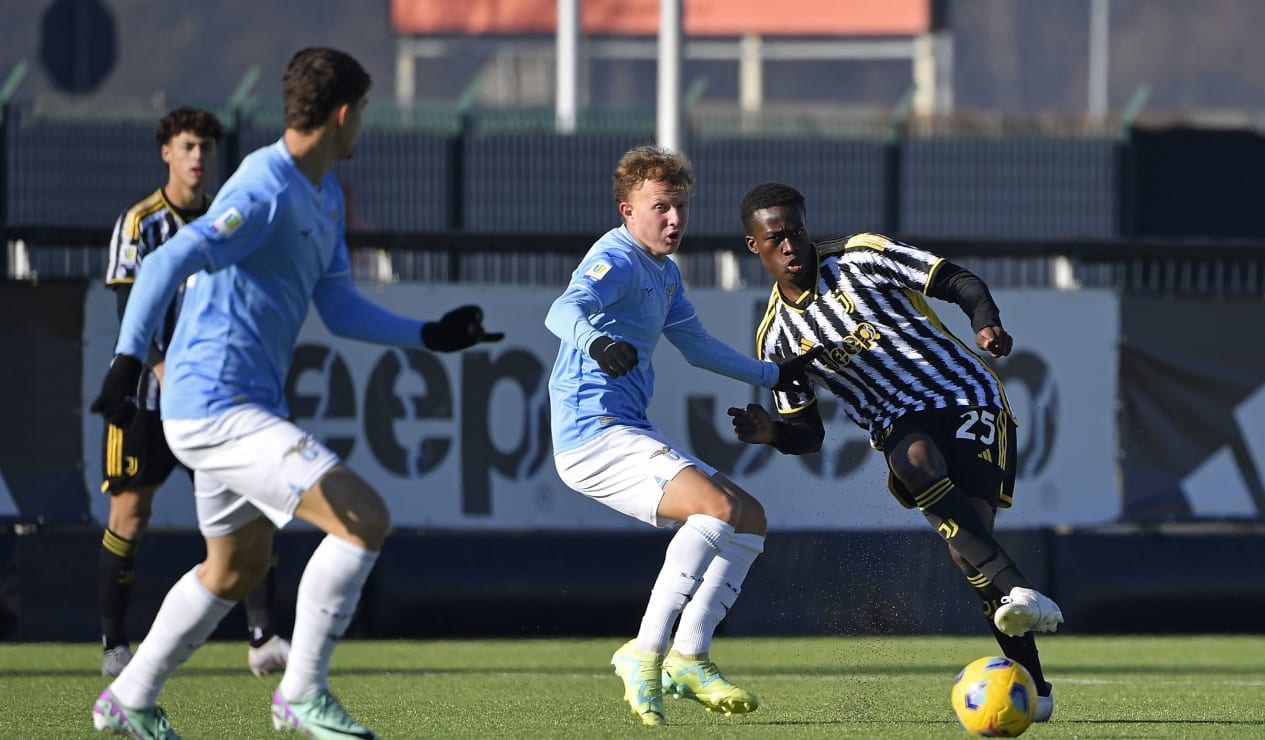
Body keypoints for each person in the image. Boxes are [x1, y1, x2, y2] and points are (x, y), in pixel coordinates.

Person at [88, 47, 503, 739]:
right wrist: (128, 360)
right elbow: (166, 259)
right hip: (214, 406)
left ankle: (129, 697)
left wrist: (430, 334)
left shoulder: (326, 194)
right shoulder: (263, 188)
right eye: (363, 111)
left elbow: (339, 309)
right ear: (343, 114)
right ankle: (302, 693)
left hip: (243, 407)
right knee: (364, 518)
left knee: (234, 567)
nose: (363, 125)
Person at [727, 181, 1064, 723]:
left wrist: (986, 323)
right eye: (776, 240)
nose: (790, 247)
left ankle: (1030, 655)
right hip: (897, 422)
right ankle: (1026, 627)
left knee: (968, 545)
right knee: (922, 477)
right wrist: (772, 433)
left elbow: (957, 280)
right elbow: (807, 433)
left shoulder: (862, 256)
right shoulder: (778, 338)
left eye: (796, 232)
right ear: (754, 246)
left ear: (806, 226)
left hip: (965, 394)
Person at [544, 146, 815, 727]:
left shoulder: (663, 273)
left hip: (625, 431)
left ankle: (689, 657)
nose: (673, 220)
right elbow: (562, 310)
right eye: (660, 207)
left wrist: (774, 374)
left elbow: (697, 348)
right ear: (627, 211)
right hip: (591, 435)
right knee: (715, 508)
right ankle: (644, 652)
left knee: (749, 517)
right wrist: (596, 342)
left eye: (680, 207)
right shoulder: (615, 257)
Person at [98, 107, 291, 681]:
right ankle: (113, 645)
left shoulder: (228, 218)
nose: (198, 156)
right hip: (148, 399)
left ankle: (261, 635)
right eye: (187, 146)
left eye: (206, 146)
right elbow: (126, 302)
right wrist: (156, 366)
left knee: (252, 509)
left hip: (216, 397)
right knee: (131, 511)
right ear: (167, 153)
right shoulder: (142, 222)